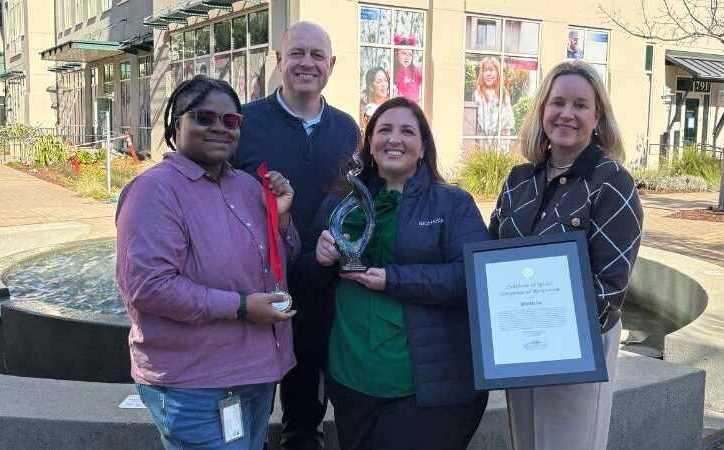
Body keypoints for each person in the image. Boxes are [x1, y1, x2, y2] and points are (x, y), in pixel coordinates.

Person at [115, 76, 299, 449]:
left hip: (255, 374)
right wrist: (243, 307)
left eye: (231, 121)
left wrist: (281, 219)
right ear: (176, 124)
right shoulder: (154, 191)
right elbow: (150, 288)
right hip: (194, 384)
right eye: (204, 117)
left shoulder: (248, 187)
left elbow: (281, 262)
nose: (219, 128)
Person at [295, 97, 489, 450]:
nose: (394, 139)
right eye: (384, 130)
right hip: (351, 376)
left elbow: (473, 279)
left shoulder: (452, 203)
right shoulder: (341, 200)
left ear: (423, 145)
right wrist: (320, 259)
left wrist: (392, 278)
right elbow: (304, 280)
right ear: (369, 143)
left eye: (407, 131)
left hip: (425, 383)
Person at [490, 60, 643, 450]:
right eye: (557, 102)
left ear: (598, 117)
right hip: (517, 348)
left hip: (576, 350)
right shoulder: (517, 182)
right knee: (525, 442)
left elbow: (608, 287)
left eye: (580, 105)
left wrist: (542, 336)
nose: (567, 114)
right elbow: (491, 259)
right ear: (542, 111)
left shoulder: (612, 184)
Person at [230, 21, 360, 450]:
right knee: (248, 411)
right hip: (255, 290)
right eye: (298, 53)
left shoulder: (348, 131)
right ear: (279, 60)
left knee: (306, 419)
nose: (307, 63)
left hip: (318, 293)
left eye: (317, 55)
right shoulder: (243, 123)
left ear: (331, 65)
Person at [473, 56, 515, 136]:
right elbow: (485, 125)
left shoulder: (504, 94)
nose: (488, 74)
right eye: (485, 70)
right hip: (482, 145)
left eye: (491, 70)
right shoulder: (477, 95)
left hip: (502, 144)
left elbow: (511, 122)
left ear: (497, 72)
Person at [393, 35, 422, 103]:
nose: (407, 57)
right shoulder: (391, 72)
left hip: (414, 109)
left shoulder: (416, 71)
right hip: (398, 108)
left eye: (410, 54)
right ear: (397, 55)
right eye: (404, 53)